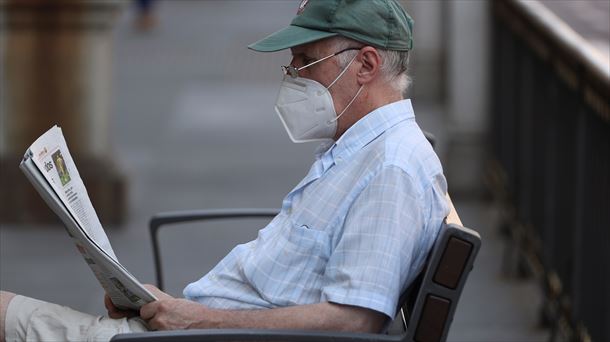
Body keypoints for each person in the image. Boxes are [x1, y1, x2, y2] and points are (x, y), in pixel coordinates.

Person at [0, 0, 453, 340]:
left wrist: (195, 317)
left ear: (366, 65)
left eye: (304, 62)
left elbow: (353, 319)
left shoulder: (389, 170)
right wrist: (171, 307)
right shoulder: (360, 150)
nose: (291, 75)